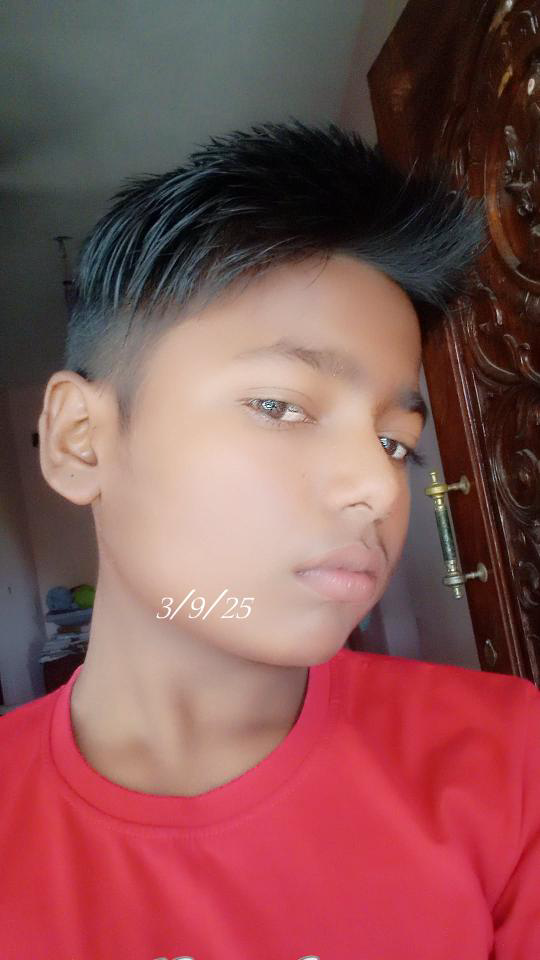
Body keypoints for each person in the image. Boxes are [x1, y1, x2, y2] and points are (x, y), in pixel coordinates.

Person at [2, 120, 538, 960]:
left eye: (394, 441)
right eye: (281, 406)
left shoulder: (510, 760)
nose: (376, 486)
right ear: (81, 441)